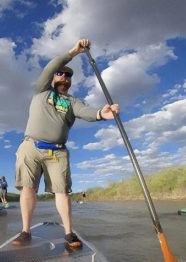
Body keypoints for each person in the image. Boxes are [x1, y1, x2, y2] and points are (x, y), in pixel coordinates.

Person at [13, 39, 119, 248]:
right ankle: (25, 231)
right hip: (30, 147)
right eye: (60, 73)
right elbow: (51, 66)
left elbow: (86, 112)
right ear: (53, 77)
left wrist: (101, 113)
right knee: (27, 188)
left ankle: (69, 233)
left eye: (68, 75)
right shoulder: (42, 91)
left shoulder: (72, 101)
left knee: (62, 191)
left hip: (58, 152)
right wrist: (73, 52)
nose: (64, 76)